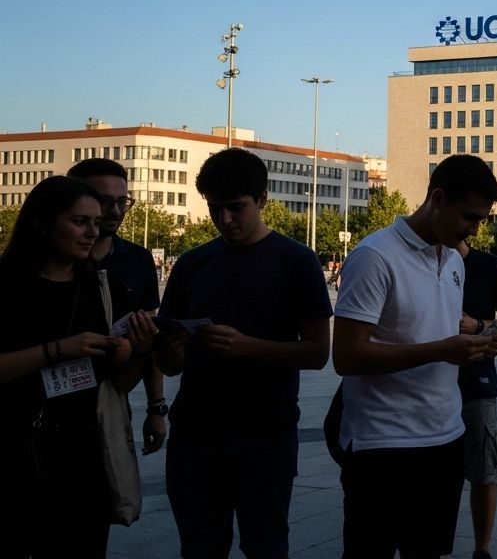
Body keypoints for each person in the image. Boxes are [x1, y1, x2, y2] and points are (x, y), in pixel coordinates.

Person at [154, 147, 332, 559]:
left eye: (236, 208)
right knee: (199, 548)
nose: (225, 220)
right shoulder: (193, 265)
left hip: (265, 435)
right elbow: (168, 363)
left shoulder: (297, 262)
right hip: (195, 435)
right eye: (215, 209)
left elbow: (318, 352)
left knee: (265, 546)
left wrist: (246, 347)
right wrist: (170, 348)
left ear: (263, 200)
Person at [333, 154, 497, 559]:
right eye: (469, 217)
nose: (474, 230)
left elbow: (435, 336)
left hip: (443, 439)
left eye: (481, 220)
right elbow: (346, 355)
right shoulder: (375, 256)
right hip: (382, 444)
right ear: (438, 199)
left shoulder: (452, 260)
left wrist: (477, 345)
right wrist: (443, 350)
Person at [0, 176, 153, 558]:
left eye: (96, 222)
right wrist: (56, 350)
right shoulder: (7, 286)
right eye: (79, 221)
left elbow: (118, 382)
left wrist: (138, 351)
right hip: (14, 450)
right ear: (43, 222)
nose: (92, 232)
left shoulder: (104, 289)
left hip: (83, 457)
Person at [68, 157, 168, 454]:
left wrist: (156, 407)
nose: (114, 211)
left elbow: (150, 340)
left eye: (122, 201)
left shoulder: (137, 261)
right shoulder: (53, 263)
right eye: (103, 201)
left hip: (113, 399)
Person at [455, 240, 497, 559]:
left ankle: (482, 548)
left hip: (477, 384)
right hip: (427, 385)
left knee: (484, 470)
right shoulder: (423, 261)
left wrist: (479, 326)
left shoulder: (489, 266)